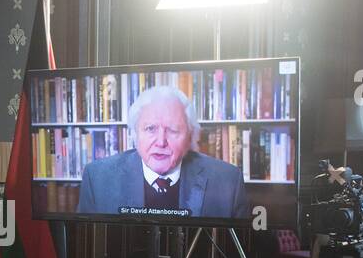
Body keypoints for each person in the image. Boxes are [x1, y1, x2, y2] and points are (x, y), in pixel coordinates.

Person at [76, 85, 248, 218]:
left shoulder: (228, 182)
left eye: (173, 130)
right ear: (135, 134)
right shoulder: (98, 178)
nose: (161, 142)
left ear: (190, 137)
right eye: (150, 128)